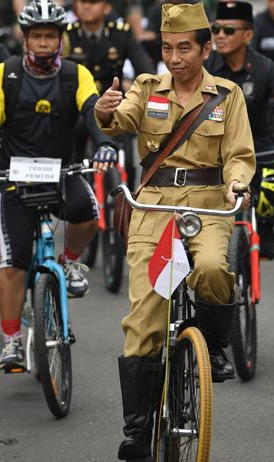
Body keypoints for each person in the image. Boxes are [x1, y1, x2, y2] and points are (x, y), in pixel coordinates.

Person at [94, 3, 255, 459]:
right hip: (153, 207)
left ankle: (213, 346)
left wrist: (236, 184)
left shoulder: (227, 95)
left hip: (207, 206)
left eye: (185, 47)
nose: (175, 56)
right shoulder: (146, 87)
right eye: (167, 47)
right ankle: (137, 433)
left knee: (212, 269)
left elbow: (240, 154)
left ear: (206, 48)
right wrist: (105, 110)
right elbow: (121, 119)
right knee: (144, 316)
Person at [0, 0, 119, 371]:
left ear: (61, 39)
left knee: (87, 212)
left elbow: (92, 111)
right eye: (37, 36)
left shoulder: (75, 75)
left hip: (63, 171)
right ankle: (12, 340)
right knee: (12, 263)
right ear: (25, 38)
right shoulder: (4, 75)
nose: (44, 43)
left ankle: (71, 263)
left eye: (51, 35)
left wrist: (106, 143)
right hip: (13, 177)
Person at [205, 0, 274, 259]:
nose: (221, 35)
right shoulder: (204, 66)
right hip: (210, 148)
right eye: (217, 29)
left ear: (248, 35)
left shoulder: (266, 67)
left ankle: (266, 223)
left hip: (257, 146)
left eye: (229, 30)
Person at [65, 0, 155, 186]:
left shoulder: (120, 33)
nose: (86, 6)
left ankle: (127, 203)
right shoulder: (67, 33)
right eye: (81, 2)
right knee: (73, 157)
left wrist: (136, 93)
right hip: (78, 107)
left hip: (114, 105)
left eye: (92, 2)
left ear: (107, 7)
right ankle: (76, 189)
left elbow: (145, 68)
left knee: (128, 160)